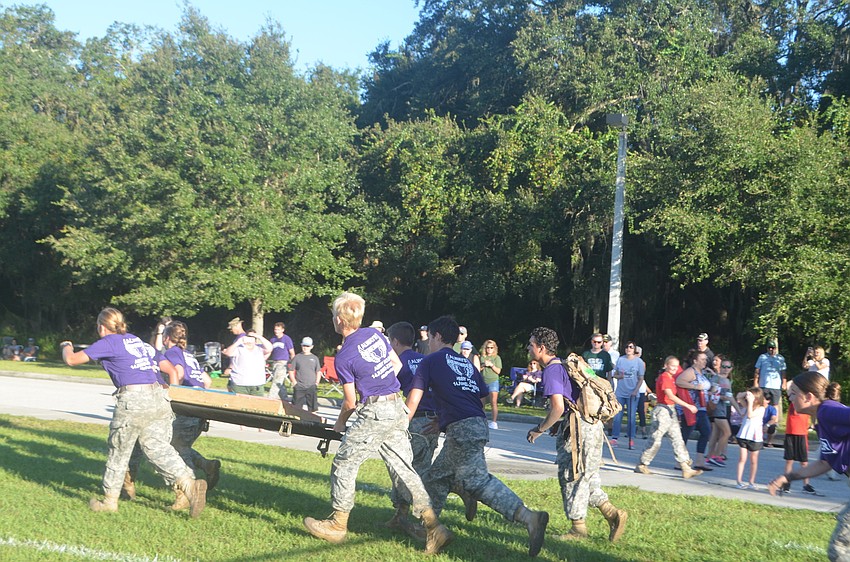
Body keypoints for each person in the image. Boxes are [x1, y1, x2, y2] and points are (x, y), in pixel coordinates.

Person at [303, 292, 452, 555]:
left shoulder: (344, 356)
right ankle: (434, 527)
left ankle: (337, 524)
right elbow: (395, 364)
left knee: (345, 462)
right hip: (396, 406)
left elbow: (350, 402)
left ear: (339, 320)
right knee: (404, 470)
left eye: (333, 316)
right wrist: (380, 384)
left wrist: (339, 425)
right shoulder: (376, 335)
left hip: (375, 412)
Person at [407, 316, 548, 556]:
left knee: (477, 481)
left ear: (438, 336)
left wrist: (400, 425)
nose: (428, 342)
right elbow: (480, 397)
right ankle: (431, 531)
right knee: (436, 478)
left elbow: (414, 399)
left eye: (430, 337)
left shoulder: (430, 360)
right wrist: (445, 419)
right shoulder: (466, 363)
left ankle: (528, 517)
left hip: (463, 429)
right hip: (476, 423)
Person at [59, 307, 207, 517]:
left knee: (119, 450)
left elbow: (72, 360)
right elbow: (166, 368)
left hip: (134, 400)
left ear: (101, 327)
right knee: (158, 448)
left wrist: (66, 346)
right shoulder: (136, 341)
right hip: (158, 398)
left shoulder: (109, 342)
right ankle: (189, 485)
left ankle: (109, 501)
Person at [526, 327, 625, 544]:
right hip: (592, 426)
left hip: (579, 430)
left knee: (571, 476)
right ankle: (612, 514)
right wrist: (557, 424)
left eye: (531, 344)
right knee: (586, 476)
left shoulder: (551, 371)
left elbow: (558, 408)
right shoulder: (563, 365)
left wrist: (539, 429)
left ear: (541, 348)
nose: (528, 348)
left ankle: (578, 528)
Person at [768, 374, 845, 561]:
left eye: (794, 393)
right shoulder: (823, 417)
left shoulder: (828, 410)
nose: (790, 398)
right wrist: (788, 477)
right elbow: (824, 463)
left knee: (841, 547)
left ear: (809, 397)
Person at [384, 321, 439, 539]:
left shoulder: (399, 362)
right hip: (432, 420)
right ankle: (402, 516)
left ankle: (421, 521)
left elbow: (388, 390)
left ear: (395, 341)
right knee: (421, 468)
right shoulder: (424, 359)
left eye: (390, 342)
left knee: (404, 469)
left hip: (414, 419)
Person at [162, 321, 220, 510]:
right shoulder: (189, 355)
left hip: (186, 406)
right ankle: (207, 465)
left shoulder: (172, 352)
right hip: (200, 407)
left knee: (172, 449)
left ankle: (188, 491)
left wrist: (172, 394)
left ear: (166, 338)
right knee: (180, 446)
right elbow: (207, 381)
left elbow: (178, 374)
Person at [634, 356, 703, 478]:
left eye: (676, 366)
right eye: (672, 366)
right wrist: (687, 405)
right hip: (662, 411)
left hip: (670, 410)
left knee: (677, 438)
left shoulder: (671, 378)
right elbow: (670, 395)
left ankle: (685, 467)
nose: (675, 368)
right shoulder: (665, 377)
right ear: (666, 365)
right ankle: (642, 463)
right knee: (655, 440)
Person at [676, 351, 713, 471]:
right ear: (695, 361)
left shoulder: (702, 373)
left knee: (706, 432)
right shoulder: (691, 372)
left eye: (705, 359)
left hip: (701, 408)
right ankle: (680, 461)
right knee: (686, 433)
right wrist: (695, 387)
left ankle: (699, 461)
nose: (705, 361)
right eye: (702, 359)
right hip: (691, 408)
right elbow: (679, 381)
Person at [611, 341, 645, 449]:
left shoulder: (639, 362)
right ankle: (614, 438)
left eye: (631, 347)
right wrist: (619, 376)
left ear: (634, 349)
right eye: (626, 347)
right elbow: (615, 374)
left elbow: (641, 378)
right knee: (617, 416)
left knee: (631, 417)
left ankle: (631, 439)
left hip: (632, 393)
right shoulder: (620, 360)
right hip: (621, 392)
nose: (628, 349)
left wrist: (635, 390)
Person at [781, 399, 816, 494]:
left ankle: (806, 485)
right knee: (789, 460)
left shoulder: (808, 402)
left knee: (804, 462)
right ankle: (786, 483)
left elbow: (814, 412)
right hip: (790, 433)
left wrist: (813, 424)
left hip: (802, 434)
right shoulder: (794, 399)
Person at [223, 331, 272, 396]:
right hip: (239, 384)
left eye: (252, 337)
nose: (250, 339)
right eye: (248, 337)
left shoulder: (260, 348)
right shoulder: (238, 348)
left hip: (257, 384)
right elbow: (227, 353)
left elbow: (270, 348)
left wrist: (259, 336)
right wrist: (238, 342)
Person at [706, 356, 734, 467]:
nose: (726, 369)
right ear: (720, 367)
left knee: (716, 433)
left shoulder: (727, 380)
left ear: (731, 368)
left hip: (724, 408)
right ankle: (716, 456)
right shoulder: (716, 378)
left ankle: (709, 456)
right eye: (724, 366)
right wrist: (721, 397)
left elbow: (730, 397)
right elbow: (711, 393)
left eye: (728, 367)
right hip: (716, 408)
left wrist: (739, 411)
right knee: (727, 433)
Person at [735, 387, 766, 489]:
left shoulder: (761, 409)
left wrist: (750, 402)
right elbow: (738, 397)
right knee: (742, 458)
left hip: (755, 437)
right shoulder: (748, 405)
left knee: (754, 460)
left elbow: (749, 415)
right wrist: (747, 394)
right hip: (744, 435)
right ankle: (739, 481)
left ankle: (751, 482)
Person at [754, 338, 787, 420]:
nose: (771, 349)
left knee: (775, 404)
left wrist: (784, 382)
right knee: (763, 402)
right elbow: (757, 370)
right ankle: (762, 419)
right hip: (764, 384)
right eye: (769, 348)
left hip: (776, 385)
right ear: (767, 348)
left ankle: (775, 421)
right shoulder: (762, 357)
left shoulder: (780, 358)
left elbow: (783, 371)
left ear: (776, 348)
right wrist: (756, 382)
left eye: (773, 348)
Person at [288, 336, 321, 413]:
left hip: (311, 386)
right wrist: (294, 382)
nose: (305, 348)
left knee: (313, 409)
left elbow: (318, 371)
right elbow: (291, 370)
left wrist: (316, 383)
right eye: (304, 346)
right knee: (296, 408)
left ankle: (312, 420)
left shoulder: (315, 358)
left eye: (307, 346)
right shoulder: (297, 357)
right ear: (301, 345)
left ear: (311, 347)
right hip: (299, 386)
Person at [267, 322, 295, 400]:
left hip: (283, 363)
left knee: (276, 380)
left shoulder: (286, 339)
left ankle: (270, 398)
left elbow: (292, 352)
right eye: (275, 329)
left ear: (282, 330)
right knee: (280, 381)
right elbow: (269, 351)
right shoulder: (273, 339)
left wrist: (292, 364)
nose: (276, 331)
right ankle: (284, 398)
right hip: (275, 362)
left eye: (278, 330)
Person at [480, 339, 503, 430]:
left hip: (493, 381)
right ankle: (482, 420)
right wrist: (483, 365)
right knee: (482, 403)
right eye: (487, 347)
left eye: (491, 348)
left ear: (494, 348)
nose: (489, 349)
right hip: (483, 381)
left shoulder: (497, 358)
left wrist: (491, 365)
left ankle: (494, 421)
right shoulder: (482, 357)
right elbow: (478, 369)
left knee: (493, 402)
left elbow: (498, 371)